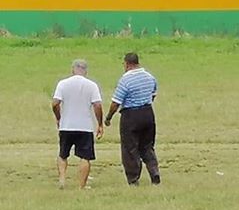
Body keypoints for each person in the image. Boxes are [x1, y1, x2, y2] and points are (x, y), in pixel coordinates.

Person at [105, 52, 161, 186]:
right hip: (148, 113)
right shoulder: (149, 77)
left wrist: (109, 117)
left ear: (127, 64)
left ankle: (133, 178)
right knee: (147, 146)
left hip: (130, 115)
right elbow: (153, 95)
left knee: (130, 148)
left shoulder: (125, 80)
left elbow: (116, 103)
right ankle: (154, 172)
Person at [52, 59, 104, 190]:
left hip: (66, 125)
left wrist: (58, 117)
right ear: (86, 71)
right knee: (85, 157)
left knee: (63, 154)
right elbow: (97, 105)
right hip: (85, 126)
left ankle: (62, 180)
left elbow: (55, 103)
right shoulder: (92, 85)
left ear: (72, 69)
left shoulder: (63, 84)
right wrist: (100, 123)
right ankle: (81, 186)